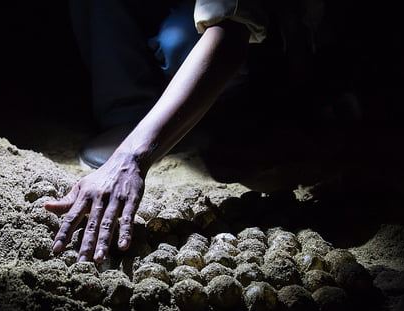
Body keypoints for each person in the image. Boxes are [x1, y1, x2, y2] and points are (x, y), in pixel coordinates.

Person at [45, 0, 320, 263]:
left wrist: (130, 159)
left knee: (180, 41)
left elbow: (230, 33)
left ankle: (209, 115)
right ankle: (130, 117)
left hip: (249, 35)